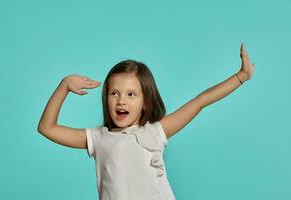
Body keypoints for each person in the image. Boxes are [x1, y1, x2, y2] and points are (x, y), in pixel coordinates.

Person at [37, 42, 255, 200]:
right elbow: (47, 128)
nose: (121, 101)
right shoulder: (98, 138)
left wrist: (240, 77)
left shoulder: (156, 131)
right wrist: (64, 86)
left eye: (131, 94)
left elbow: (200, 101)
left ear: (146, 102)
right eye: (114, 93)